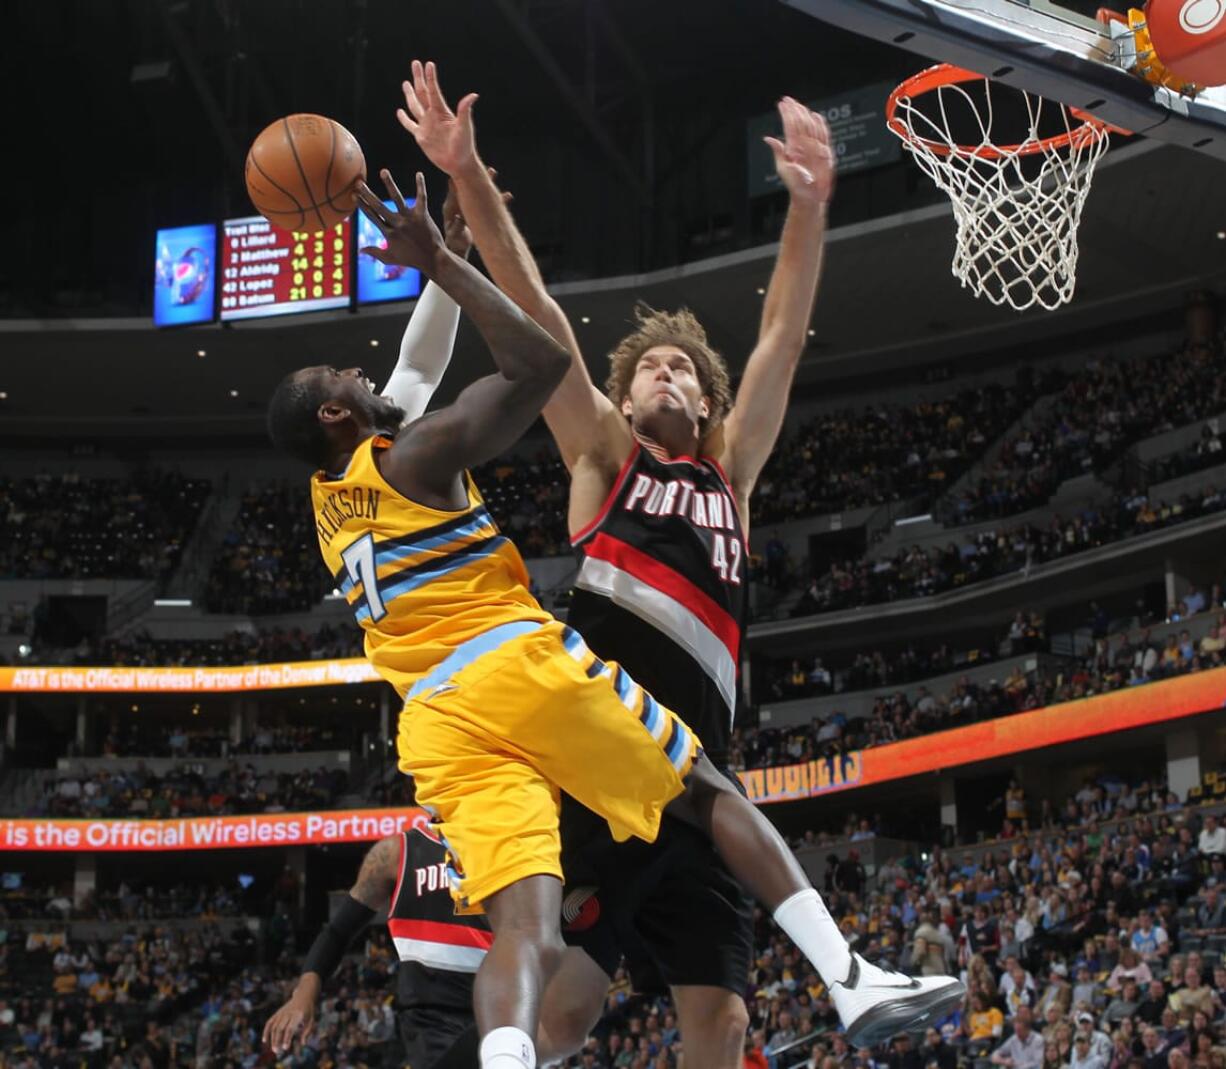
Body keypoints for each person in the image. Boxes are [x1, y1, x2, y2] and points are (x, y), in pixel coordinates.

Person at [268, 168, 961, 1069]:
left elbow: (414, 370)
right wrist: (450, 240)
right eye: (344, 377)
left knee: (531, 924)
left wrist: (449, 257)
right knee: (706, 795)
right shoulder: (486, 452)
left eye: (683, 369)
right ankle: (851, 976)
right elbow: (540, 355)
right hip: (518, 673)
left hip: (435, 717)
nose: (366, 373)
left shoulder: (339, 492)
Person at [262, 826, 600, 1067]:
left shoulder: (526, 841)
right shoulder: (397, 853)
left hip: (507, 1013)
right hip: (431, 1021)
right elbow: (338, 931)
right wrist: (303, 993)